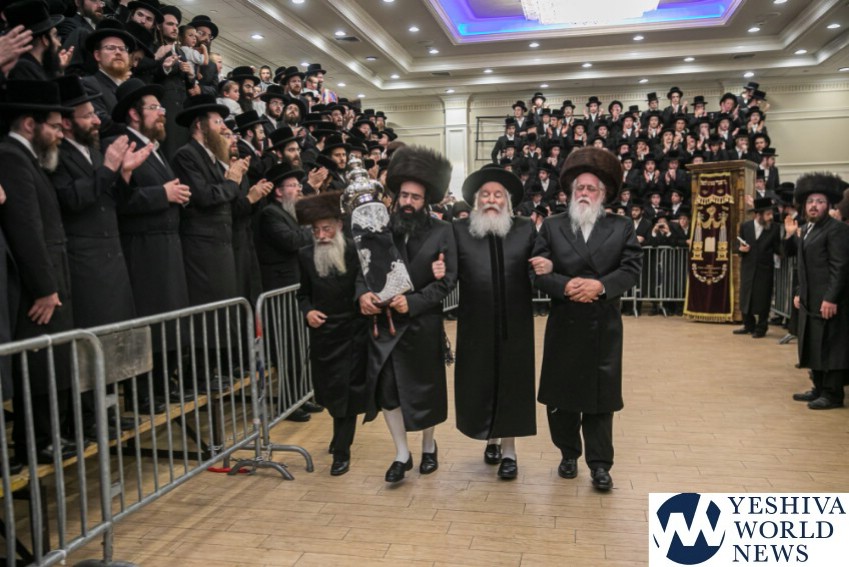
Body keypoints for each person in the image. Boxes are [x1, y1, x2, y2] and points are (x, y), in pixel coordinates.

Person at [531, 147, 642, 491]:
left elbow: (631, 269)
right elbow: (536, 270)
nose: (584, 193)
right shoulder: (552, 226)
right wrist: (565, 286)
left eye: (591, 188)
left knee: (600, 399)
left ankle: (600, 464)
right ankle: (568, 454)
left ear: (603, 194)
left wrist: (600, 286)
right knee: (561, 397)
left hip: (603, 324)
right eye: (579, 187)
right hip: (565, 323)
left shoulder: (622, 226)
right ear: (570, 191)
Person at [356, 145, 456, 484]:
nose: (408, 202)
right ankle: (401, 453)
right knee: (387, 391)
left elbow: (448, 282)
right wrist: (362, 294)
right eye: (404, 196)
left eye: (415, 197)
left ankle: (428, 446)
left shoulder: (443, 231)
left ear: (426, 200)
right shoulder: (381, 228)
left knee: (426, 392)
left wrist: (412, 303)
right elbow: (364, 267)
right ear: (396, 197)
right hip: (385, 326)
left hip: (423, 324)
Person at [0, 79, 77, 463]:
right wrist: (45, 287)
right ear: (30, 124)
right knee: (39, 363)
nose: (61, 134)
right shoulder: (11, 157)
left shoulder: (28, 158)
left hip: (51, 272)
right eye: (55, 126)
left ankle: (50, 436)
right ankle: (37, 441)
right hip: (36, 286)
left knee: (54, 361)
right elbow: (25, 229)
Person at [452, 165, 537, 480]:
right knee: (482, 382)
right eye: (485, 194)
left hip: (515, 324)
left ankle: (510, 451)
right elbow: (448, 273)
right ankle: (491, 438)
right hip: (475, 325)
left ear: (508, 201)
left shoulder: (525, 229)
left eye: (498, 195)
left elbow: (536, 269)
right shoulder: (459, 231)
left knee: (513, 384)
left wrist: (544, 268)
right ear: (476, 201)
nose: (491, 200)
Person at [295, 191, 373, 476]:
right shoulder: (305, 255)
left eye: (326, 229)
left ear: (339, 225)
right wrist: (308, 312)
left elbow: (363, 283)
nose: (322, 235)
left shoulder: (355, 251)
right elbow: (303, 294)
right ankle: (338, 437)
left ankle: (342, 451)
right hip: (323, 335)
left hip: (353, 332)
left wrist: (363, 297)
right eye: (316, 230)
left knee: (346, 395)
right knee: (329, 393)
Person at [785, 174, 849, 410]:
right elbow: (804, 265)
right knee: (814, 343)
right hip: (810, 300)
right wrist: (799, 291)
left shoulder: (837, 229)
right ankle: (819, 387)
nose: (814, 205)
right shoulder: (807, 229)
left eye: (820, 201)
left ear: (829, 205)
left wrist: (831, 298)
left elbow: (840, 267)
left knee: (831, 345)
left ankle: (833, 394)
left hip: (828, 301)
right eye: (810, 201)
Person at [733, 198, 781, 338]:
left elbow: (778, 248)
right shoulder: (746, 226)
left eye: (771, 214)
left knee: (763, 298)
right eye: (768, 214)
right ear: (758, 215)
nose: (770, 217)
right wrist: (741, 249)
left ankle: (761, 328)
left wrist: (789, 239)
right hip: (748, 267)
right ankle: (748, 325)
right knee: (746, 296)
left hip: (765, 269)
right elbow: (737, 245)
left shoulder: (774, 228)